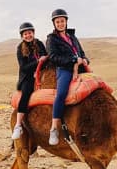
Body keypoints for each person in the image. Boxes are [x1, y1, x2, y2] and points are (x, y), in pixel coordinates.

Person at [46, 8, 89, 145]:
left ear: (66, 22)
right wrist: (72, 61)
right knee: (61, 94)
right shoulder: (52, 39)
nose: (60, 24)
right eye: (58, 22)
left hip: (81, 68)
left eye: (62, 21)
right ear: (54, 23)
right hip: (64, 69)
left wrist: (85, 59)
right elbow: (53, 57)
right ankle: (54, 128)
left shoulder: (72, 37)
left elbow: (81, 52)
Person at [12, 22, 47, 139]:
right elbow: (24, 67)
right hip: (27, 77)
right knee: (26, 93)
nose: (28, 35)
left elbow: (46, 57)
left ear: (33, 33)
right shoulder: (20, 49)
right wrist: (38, 62)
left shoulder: (39, 44)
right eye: (25, 34)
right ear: (22, 36)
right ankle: (18, 125)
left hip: (42, 74)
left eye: (30, 33)